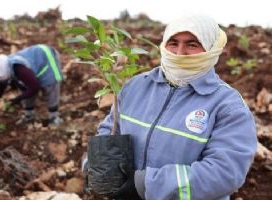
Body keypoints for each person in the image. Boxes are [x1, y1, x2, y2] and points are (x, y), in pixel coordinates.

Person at [95, 15, 257, 200]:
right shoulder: (135, 86)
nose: (180, 53)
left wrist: (145, 185)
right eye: (173, 43)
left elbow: (225, 172)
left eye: (192, 44)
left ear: (211, 49)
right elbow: (111, 128)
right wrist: (96, 163)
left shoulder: (227, 106)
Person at [0, 44, 63, 125]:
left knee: (50, 84)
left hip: (46, 57)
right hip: (32, 66)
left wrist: (17, 100)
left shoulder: (19, 69)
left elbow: (35, 87)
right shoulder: (2, 73)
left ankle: (54, 117)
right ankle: (29, 115)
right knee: (24, 87)